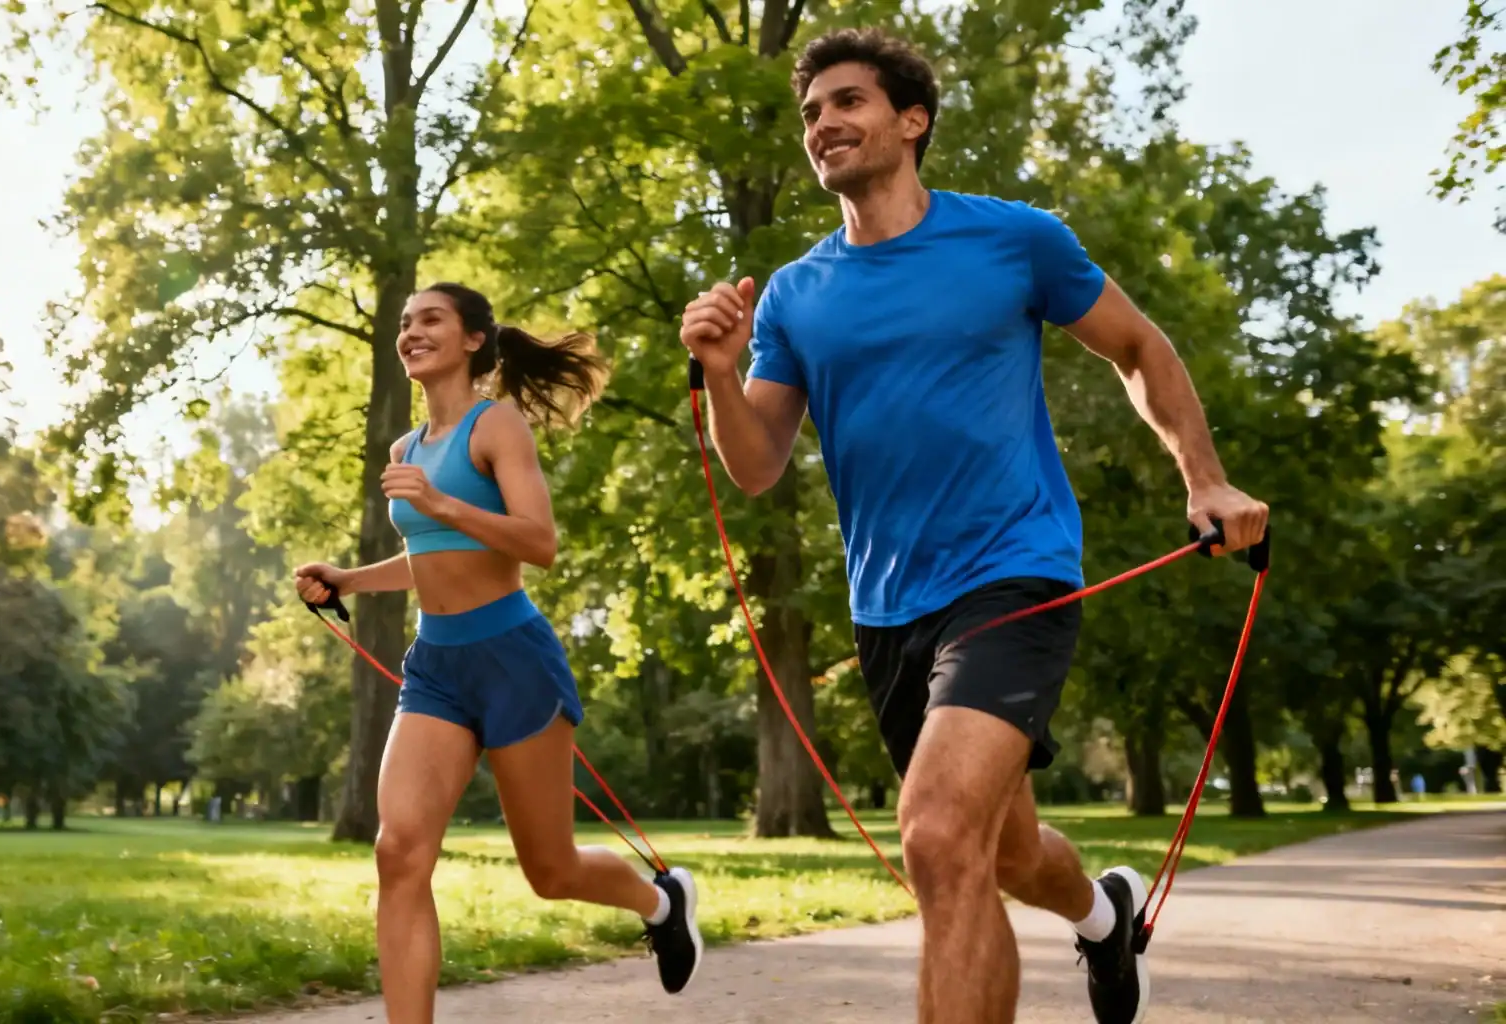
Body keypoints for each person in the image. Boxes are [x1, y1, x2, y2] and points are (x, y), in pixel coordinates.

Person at [677, 28, 1269, 1024]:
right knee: (1003, 850)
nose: (825, 123)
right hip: (889, 610)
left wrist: (1204, 479)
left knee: (938, 836)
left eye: (848, 102)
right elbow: (758, 464)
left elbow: (1136, 346)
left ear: (911, 121)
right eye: (812, 112)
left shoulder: (1014, 239)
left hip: (1015, 574)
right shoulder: (796, 293)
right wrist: (725, 376)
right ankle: (1099, 914)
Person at [294, 283, 701, 1024]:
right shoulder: (405, 449)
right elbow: (433, 556)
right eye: (405, 322)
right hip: (438, 671)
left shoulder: (497, 425)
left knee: (550, 870)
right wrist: (349, 578)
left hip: (513, 660)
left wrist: (443, 502)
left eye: (430, 320)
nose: (411, 332)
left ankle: (660, 900)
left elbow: (537, 542)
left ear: (473, 340)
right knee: (399, 853)